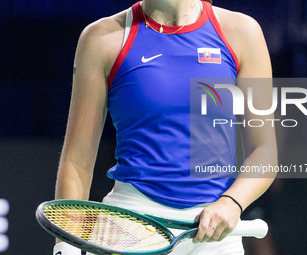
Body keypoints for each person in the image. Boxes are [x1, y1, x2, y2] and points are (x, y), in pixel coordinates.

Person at [53, 0, 277, 254]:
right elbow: (77, 160)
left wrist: (232, 202)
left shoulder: (243, 32)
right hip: (129, 227)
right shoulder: (101, 39)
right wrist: (66, 246)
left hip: (216, 235)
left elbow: (264, 151)